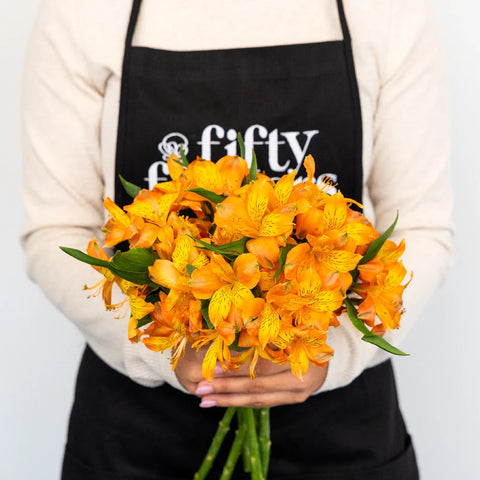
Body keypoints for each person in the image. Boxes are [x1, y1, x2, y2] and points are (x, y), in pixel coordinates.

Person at [21, 0, 453, 478]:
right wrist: (165, 351)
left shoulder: (386, 11)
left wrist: (341, 350)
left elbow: (422, 228)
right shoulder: (82, 11)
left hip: (341, 439)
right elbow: (55, 231)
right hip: (136, 439)